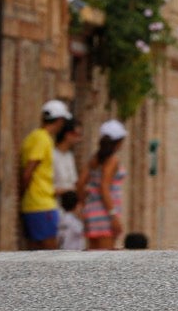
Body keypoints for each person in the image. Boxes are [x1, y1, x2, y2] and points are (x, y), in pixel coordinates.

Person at [19, 100, 71, 250]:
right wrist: (24, 192)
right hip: (41, 204)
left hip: (34, 203)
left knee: (35, 253)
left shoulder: (34, 137)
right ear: (59, 120)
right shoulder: (43, 139)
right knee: (50, 253)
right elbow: (29, 170)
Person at [78, 120, 127, 251]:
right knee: (105, 260)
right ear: (119, 141)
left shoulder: (94, 159)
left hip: (92, 212)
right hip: (105, 214)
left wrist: (84, 204)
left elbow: (80, 183)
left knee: (93, 257)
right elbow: (104, 187)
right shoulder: (112, 161)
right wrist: (113, 216)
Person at [53, 117, 82, 209]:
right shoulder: (52, 155)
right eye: (76, 134)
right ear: (67, 135)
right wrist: (66, 190)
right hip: (54, 206)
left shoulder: (69, 156)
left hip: (68, 208)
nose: (79, 139)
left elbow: (73, 182)